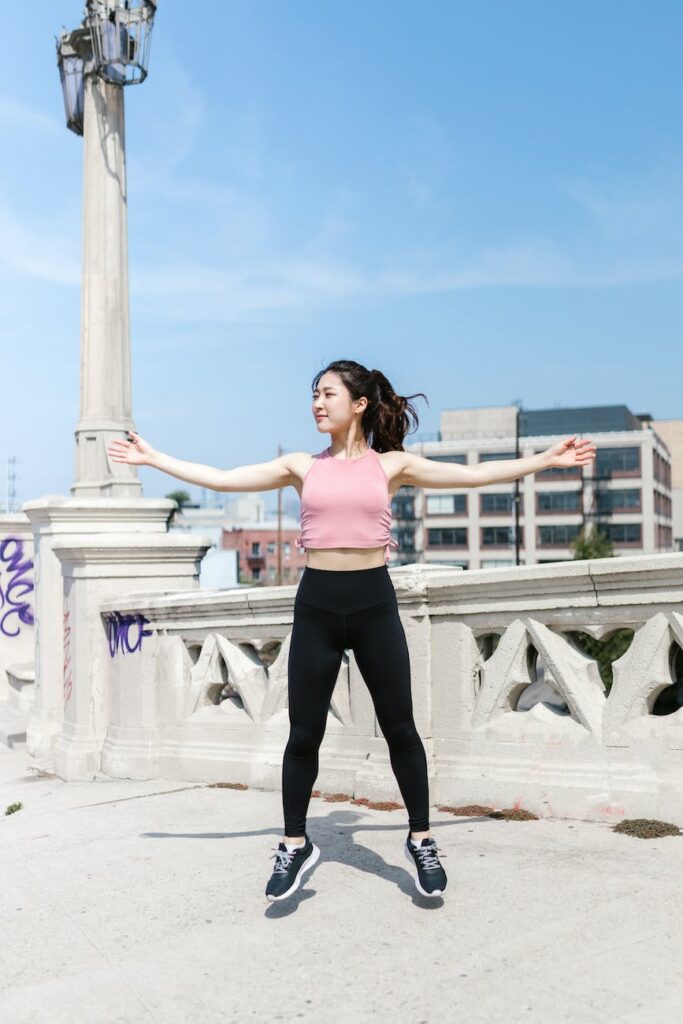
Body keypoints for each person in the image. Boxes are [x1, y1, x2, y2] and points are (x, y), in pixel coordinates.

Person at [107, 358, 596, 903]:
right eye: (314, 395)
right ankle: (295, 843)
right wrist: (153, 458)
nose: (317, 403)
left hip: (373, 606)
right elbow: (223, 479)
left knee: (401, 729)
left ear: (359, 404)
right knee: (303, 733)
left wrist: (547, 460)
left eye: (328, 394)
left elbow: (475, 476)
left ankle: (421, 838)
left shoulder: (390, 466)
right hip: (316, 605)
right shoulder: (301, 466)